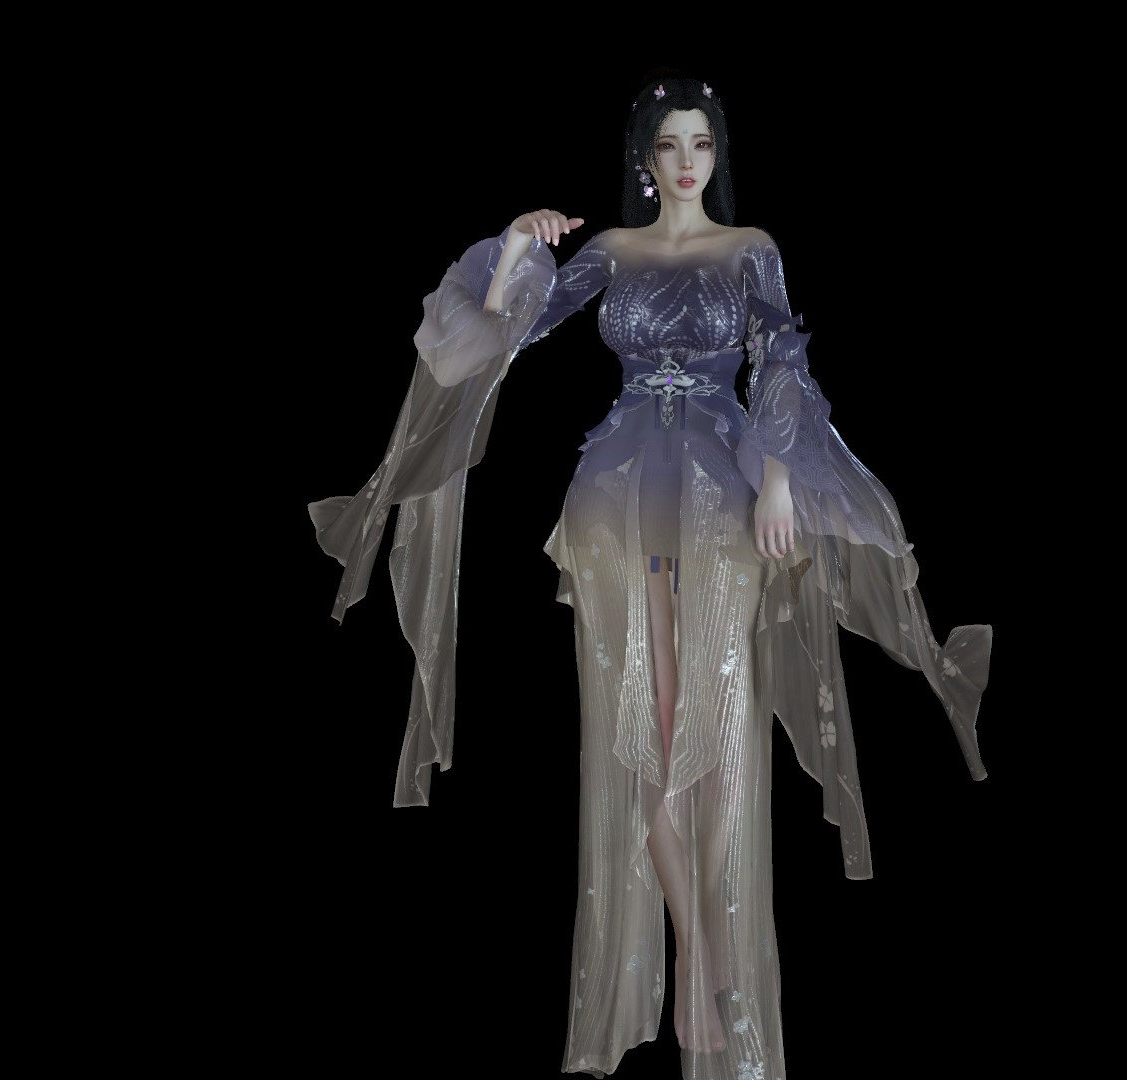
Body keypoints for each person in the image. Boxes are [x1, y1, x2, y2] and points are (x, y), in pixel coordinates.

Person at [309, 73, 993, 1078]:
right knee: (654, 728)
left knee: (713, 730)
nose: (685, 161)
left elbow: (782, 362)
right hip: (617, 493)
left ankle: (707, 950)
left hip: (720, 489)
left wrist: (777, 482)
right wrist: (514, 246)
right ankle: (698, 953)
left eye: (700, 144)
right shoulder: (613, 253)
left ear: (717, 154)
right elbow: (500, 334)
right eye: (669, 145)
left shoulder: (749, 248)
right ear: (645, 159)